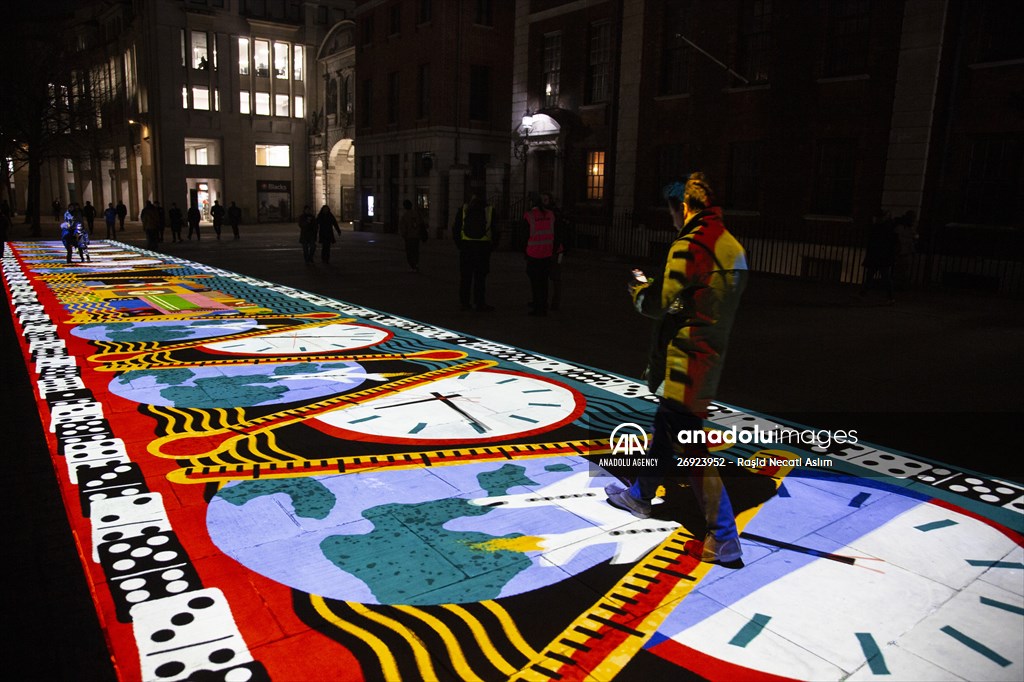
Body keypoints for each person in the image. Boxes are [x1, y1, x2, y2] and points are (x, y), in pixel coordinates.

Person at [605, 172, 749, 567]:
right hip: (710, 357)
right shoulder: (732, 246)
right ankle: (640, 495)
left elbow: (657, 303)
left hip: (685, 362)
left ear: (683, 207)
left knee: (693, 450)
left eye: (671, 211)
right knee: (667, 433)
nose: (671, 219)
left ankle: (723, 537)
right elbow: (701, 301)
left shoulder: (691, 245)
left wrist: (639, 289)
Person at [452, 192, 497, 311]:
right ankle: (480, 302)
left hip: (466, 248)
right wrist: (492, 247)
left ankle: (465, 303)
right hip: (483, 248)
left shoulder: (463, 210)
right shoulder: (489, 211)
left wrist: (460, 245)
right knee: (480, 278)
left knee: (465, 277)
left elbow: (456, 229)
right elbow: (496, 230)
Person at [523, 195, 559, 316]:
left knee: (535, 282)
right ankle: (542, 304)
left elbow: (524, 235)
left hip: (533, 252)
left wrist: (524, 251)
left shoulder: (529, 215)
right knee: (544, 281)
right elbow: (556, 232)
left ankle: (538, 306)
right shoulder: (550, 215)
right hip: (547, 252)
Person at [861, 209, 897, 303]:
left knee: (883, 277)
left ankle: (890, 296)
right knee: (874, 275)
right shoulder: (885, 227)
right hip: (880, 256)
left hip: (881, 256)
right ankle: (864, 293)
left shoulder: (884, 228)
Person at [398, 199, 426, 272]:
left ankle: (412, 265)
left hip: (409, 237)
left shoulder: (405, 216)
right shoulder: (417, 214)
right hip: (416, 236)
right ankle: (416, 263)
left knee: (409, 252)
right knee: (416, 251)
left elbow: (403, 227)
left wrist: (403, 235)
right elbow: (421, 223)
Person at [893, 210, 917, 290]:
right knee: (901, 269)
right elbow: (901, 239)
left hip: (903, 251)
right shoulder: (903, 227)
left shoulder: (905, 227)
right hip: (902, 251)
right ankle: (899, 285)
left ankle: (900, 284)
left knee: (902, 269)